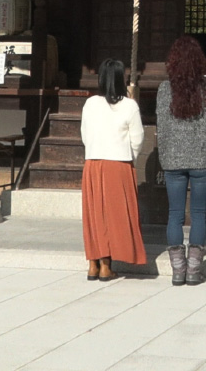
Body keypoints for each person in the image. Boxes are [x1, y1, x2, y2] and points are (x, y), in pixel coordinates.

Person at [155, 35, 206, 286]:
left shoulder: (163, 90)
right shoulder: (205, 89)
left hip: (172, 159)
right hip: (202, 157)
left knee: (174, 214)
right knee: (199, 213)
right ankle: (194, 270)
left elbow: (160, 125)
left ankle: (177, 270)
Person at [80, 58, 146, 281]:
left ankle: (93, 264)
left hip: (93, 163)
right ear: (121, 79)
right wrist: (130, 158)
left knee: (94, 214)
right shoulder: (129, 105)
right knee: (115, 215)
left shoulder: (90, 104)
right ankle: (106, 265)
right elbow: (137, 139)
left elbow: (84, 135)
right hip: (118, 163)